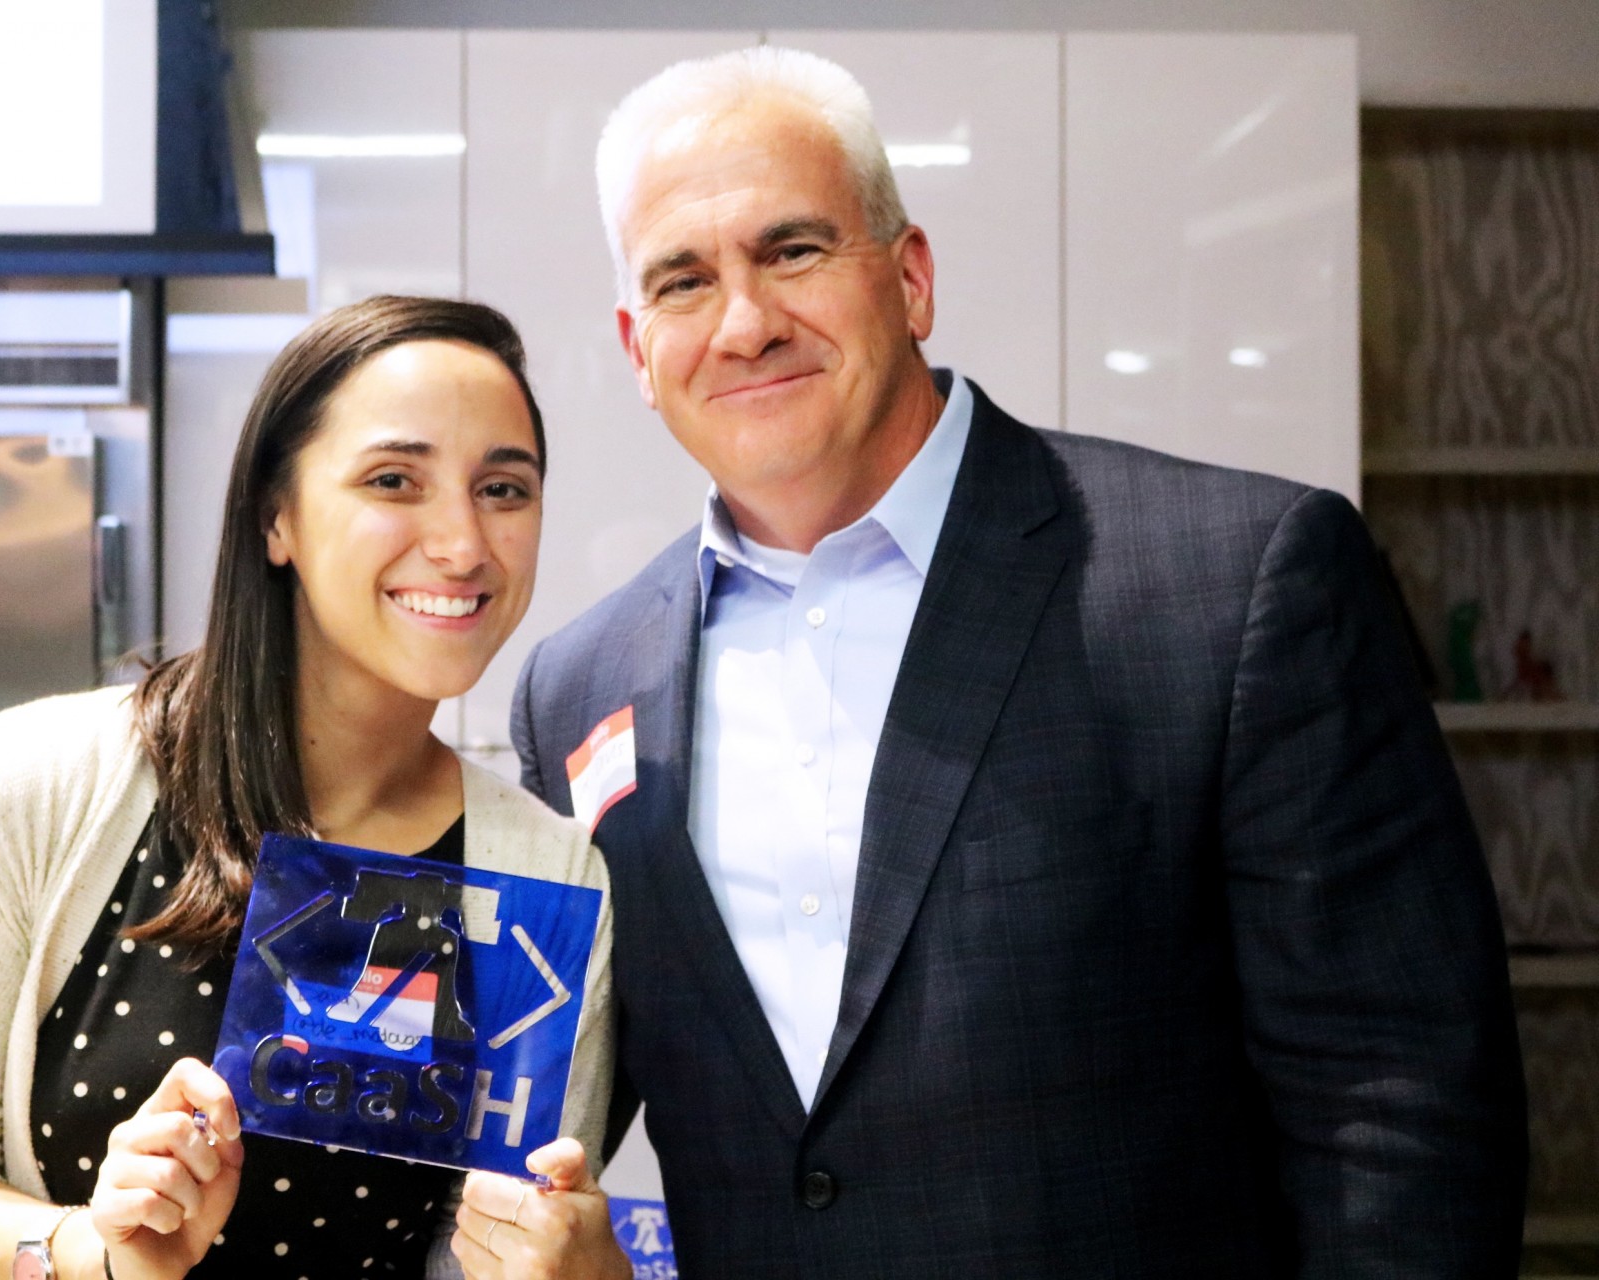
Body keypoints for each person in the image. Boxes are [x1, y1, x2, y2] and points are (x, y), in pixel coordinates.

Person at [473, 46, 1528, 1278]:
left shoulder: (1237, 583)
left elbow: (1399, 1106)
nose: (745, 323)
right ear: (637, 348)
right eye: (684, 281)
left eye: (793, 250)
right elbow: (533, 1106)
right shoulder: (581, 686)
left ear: (911, 277)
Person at [0, 296, 615, 1280]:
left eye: (503, 488)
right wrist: (93, 1252)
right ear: (275, 516)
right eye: (393, 480)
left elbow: (475, 1253)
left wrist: (571, 1268)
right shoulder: (32, 785)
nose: (462, 543)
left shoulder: (545, 872)